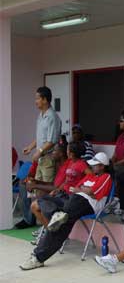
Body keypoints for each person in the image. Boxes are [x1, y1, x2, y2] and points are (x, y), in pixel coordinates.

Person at [20, 152, 112, 270]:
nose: (92, 167)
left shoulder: (106, 177)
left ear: (102, 166)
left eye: (95, 165)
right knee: (44, 200)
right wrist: (81, 189)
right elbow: (75, 189)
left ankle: (38, 257)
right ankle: (56, 215)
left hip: (87, 204)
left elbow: (92, 193)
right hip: (73, 200)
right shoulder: (90, 176)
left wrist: (82, 189)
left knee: (61, 225)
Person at [18, 86, 62, 229]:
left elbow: (52, 140)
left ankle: (50, 225)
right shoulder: (41, 115)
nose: (35, 101)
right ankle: (43, 224)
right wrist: (31, 147)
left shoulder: (52, 117)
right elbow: (41, 138)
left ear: (45, 99)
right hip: (41, 158)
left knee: (46, 190)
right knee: (37, 191)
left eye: (38, 98)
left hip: (48, 158)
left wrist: (40, 150)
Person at [30, 141, 90, 230]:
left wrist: (80, 186)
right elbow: (66, 181)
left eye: (68, 150)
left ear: (72, 153)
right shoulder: (70, 163)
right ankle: (49, 231)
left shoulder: (82, 164)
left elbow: (91, 176)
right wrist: (56, 190)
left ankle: (52, 227)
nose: (67, 152)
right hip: (62, 193)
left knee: (40, 205)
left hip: (70, 197)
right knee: (34, 206)